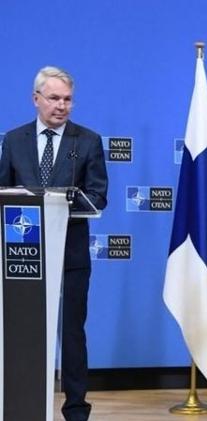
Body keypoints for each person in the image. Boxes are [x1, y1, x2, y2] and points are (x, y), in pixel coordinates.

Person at [0, 66, 108, 420]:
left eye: (68, 100)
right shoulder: (13, 141)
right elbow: (4, 193)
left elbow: (98, 196)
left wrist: (60, 202)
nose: (62, 106)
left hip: (71, 252)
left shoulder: (88, 141)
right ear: (36, 99)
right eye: (54, 98)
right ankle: (22, 403)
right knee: (23, 331)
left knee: (73, 333)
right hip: (24, 254)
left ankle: (76, 409)